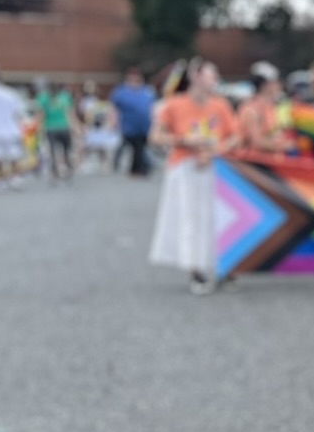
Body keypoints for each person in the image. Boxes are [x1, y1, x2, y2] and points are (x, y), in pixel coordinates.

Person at [148, 60, 240, 294]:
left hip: (214, 166)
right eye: (211, 76)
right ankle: (195, 269)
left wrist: (214, 151)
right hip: (185, 167)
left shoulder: (220, 105)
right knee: (190, 218)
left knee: (219, 217)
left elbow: (234, 136)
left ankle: (221, 265)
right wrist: (184, 141)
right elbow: (156, 137)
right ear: (196, 77)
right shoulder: (175, 105)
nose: (215, 81)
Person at [109, 66, 157, 177]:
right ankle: (140, 169)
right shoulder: (121, 92)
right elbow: (114, 109)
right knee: (137, 147)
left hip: (145, 126)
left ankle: (137, 168)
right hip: (129, 125)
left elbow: (152, 107)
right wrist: (113, 121)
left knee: (140, 148)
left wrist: (155, 121)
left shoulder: (147, 91)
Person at [236, 63, 295, 155]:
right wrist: (284, 146)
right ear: (265, 85)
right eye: (276, 82)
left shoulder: (271, 106)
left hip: (271, 160)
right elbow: (257, 143)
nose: (279, 85)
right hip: (253, 162)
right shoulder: (252, 109)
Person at [0, 65, 27, 190]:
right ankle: (15, 178)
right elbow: (20, 114)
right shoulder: (11, 93)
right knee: (14, 156)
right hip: (11, 129)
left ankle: (0, 181)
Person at [34, 78, 76, 182]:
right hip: (63, 127)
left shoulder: (44, 98)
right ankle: (67, 169)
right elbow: (70, 114)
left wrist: (37, 126)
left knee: (53, 151)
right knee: (65, 150)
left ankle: (55, 172)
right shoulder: (65, 97)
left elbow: (41, 114)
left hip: (51, 128)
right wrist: (75, 127)